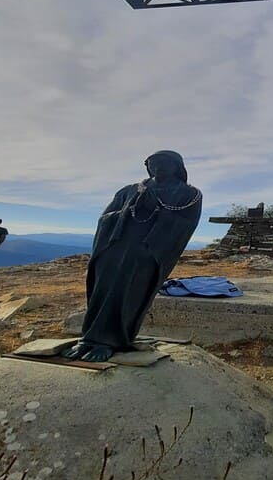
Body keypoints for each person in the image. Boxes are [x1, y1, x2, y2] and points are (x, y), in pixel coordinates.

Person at [65, 151, 202, 362]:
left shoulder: (190, 194)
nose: (158, 167)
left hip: (146, 253)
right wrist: (128, 210)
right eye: (153, 164)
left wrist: (156, 212)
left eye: (164, 163)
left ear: (178, 167)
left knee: (127, 292)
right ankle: (89, 338)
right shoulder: (129, 191)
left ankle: (111, 341)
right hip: (114, 247)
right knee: (101, 289)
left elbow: (185, 226)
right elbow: (105, 219)